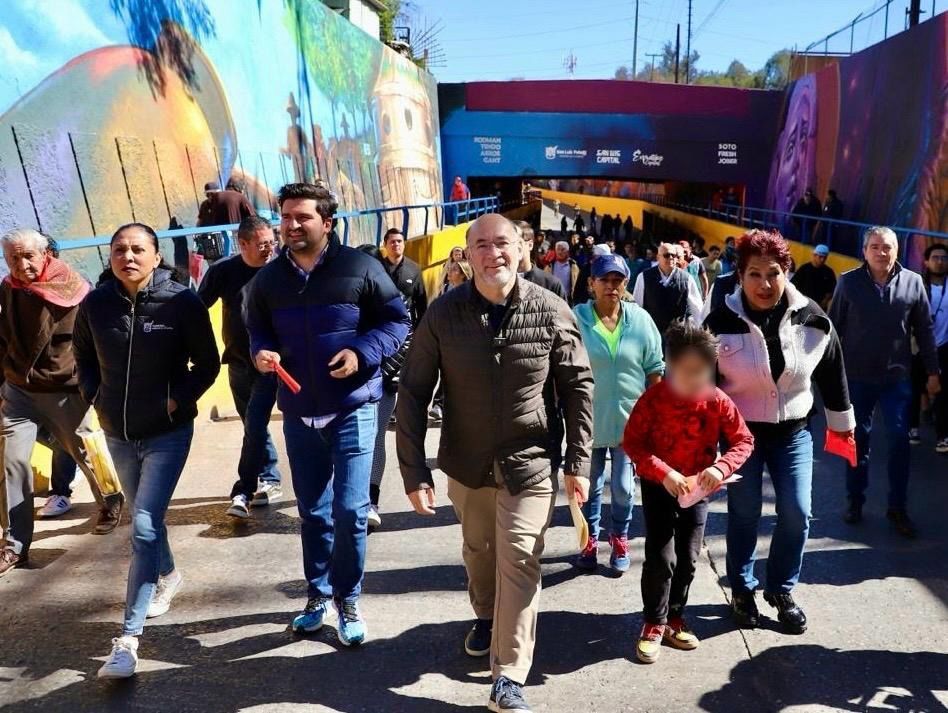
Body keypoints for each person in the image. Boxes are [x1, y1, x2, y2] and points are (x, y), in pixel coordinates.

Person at [396, 213, 593, 712]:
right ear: (467, 254)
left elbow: (576, 387)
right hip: (467, 465)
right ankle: (485, 615)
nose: (493, 253)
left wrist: (577, 462)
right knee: (479, 550)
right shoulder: (443, 315)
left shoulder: (551, 310)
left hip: (530, 464)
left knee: (520, 558)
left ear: (522, 249)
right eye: (480, 245)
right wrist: (413, 471)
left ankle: (509, 675)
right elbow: (415, 392)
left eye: (502, 243)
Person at [244, 182, 410, 646]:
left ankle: (348, 598)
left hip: (353, 408)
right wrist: (263, 353)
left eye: (303, 217)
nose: (292, 225)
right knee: (313, 513)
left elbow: (397, 321)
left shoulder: (361, 267)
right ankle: (317, 597)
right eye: (286, 217)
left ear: (328, 222)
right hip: (298, 414)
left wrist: (361, 352)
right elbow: (257, 329)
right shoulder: (268, 280)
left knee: (351, 511)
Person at [73, 223, 220, 677]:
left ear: (156, 256)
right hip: (118, 430)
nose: (128, 256)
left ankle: (128, 639)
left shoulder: (181, 302)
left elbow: (209, 363)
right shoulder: (95, 304)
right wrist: (95, 396)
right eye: (120, 250)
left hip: (168, 432)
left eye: (138, 249)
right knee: (147, 517)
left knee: (141, 525)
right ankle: (169, 576)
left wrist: (177, 398)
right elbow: (81, 357)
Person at [705, 229, 855, 634]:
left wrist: (843, 429)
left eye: (773, 273)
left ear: (787, 271)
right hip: (740, 437)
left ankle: (781, 588)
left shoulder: (814, 320)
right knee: (744, 512)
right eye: (754, 274)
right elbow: (702, 386)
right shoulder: (718, 321)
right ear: (740, 276)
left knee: (797, 511)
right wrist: (701, 443)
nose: (764, 284)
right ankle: (741, 588)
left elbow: (833, 376)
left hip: (794, 433)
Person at [624, 320, 754, 664]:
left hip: (698, 491)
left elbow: (743, 440)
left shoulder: (717, 400)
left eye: (703, 371)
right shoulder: (653, 400)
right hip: (659, 487)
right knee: (661, 556)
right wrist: (663, 472)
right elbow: (633, 444)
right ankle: (653, 622)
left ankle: (675, 617)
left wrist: (719, 468)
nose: (697, 379)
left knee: (689, 557)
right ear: (669, 365)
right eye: (688, 371)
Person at [0, 229, 126, 577]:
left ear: (46, 256)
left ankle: (110, 499)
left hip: (65, 388)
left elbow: (99, 339)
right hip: (18, 388)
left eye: (28, 256)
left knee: (86, 451)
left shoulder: (76, 289)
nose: (20, 264)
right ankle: (15, 545)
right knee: (10, 464)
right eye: (12, 257)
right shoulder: (9, 287)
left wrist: (89, 381)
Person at [829, 227, 940, 537]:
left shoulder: (913, 282)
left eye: (887, 247)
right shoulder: (848, 283)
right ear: (865, 251)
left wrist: (933, 372)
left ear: (897, 250)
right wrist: (826, 375)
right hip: (856, 377)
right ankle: (855, 499)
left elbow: (925, 331)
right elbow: (832, 330)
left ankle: (898, 507)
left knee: (899, 441)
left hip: (897, 378)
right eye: (875, 247)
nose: (881, 252)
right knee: (858, 441)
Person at [574, 254, 663, 576]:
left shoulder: (640, 320)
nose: (611, 286)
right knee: (590, 485)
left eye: (617, 280)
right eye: (604, 280)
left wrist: (658, 414)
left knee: (624, 487)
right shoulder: (577, 318)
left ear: (625, 284)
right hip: (588, 421)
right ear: (591, 284)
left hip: (632, 422)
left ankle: (620, 538)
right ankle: (589, 541)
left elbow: (655, 369)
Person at [198, 215, 283, 518]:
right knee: (252, 423)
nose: (269, 249)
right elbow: (197, 308)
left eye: (272, 242)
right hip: (237, 361)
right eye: (262, 244)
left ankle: (253, 485)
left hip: (272, 364)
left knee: (256, 421)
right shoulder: (223, 272)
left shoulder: (282, 269)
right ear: (242, 244)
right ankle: (267, 474)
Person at [631, 242, 703, 337]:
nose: (671, 258)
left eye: (673, 255)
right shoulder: (644, 277)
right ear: (658, 257)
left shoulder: (687, 279)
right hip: (651, 333)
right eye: (667, 255)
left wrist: (700, 333)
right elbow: (637, 307)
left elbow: (697, 309)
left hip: (677, 336)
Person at [920, 244, 948, 453]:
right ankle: (914, 425)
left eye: (944, 258)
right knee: (915, 388)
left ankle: (942, 436)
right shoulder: (917, 285)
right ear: (926, 262)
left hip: (945, 347)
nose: (940, 261)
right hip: (919, 346)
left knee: (943, 392)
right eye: (935, 257)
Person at [381, 228, 427, 326]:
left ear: (404, 244)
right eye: (392, 242)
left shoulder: (414, 269)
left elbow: (421, 302)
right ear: (385, 245)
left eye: (399, 241)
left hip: (407, 326)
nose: (396, 244)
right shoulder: (378, 268)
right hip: (382, 326)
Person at [515, 221, 566, 300]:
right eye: (503, 243)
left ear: (530, 245)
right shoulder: (494, 282)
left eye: (516, 243)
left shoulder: (552, 285)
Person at [790, 244, 836, 309]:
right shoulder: (804, 269)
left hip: (819, 308)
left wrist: (824, 302)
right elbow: (793, 286)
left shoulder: (828, 272)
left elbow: (831, 290)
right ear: (814, 256)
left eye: (824, 258)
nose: (822, 260)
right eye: (820, 257)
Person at [545, 240, 581, 305]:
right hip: (552, 299)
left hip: (568, 300)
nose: (560, 252)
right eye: (558, 250)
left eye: (563, 249)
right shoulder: (549, 266)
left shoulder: (573, 266)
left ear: (567, 251)